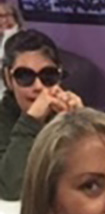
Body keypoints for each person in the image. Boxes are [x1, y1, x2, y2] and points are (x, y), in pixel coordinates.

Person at [0, 29, 83, 200]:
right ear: (8, 79)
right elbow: (12, 190)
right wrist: (31, 121)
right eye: (25, 76)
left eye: (48, 76)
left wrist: (83, 124)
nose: (38, 86)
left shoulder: (68, 110)